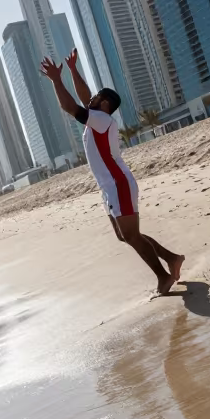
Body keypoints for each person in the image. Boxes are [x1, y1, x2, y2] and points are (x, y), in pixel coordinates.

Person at [40, 49, 184, 296]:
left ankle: (164, 276)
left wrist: (56, 80)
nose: (91, 99)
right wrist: (73, 70)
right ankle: (172, 258)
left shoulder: (102, 121)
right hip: (109, 187)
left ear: (104, 104)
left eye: (96, 97)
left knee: (130, 234)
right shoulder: (97, 118)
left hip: (118, 184)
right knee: (124, 235)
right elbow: (84, 99)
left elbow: (70, 106)